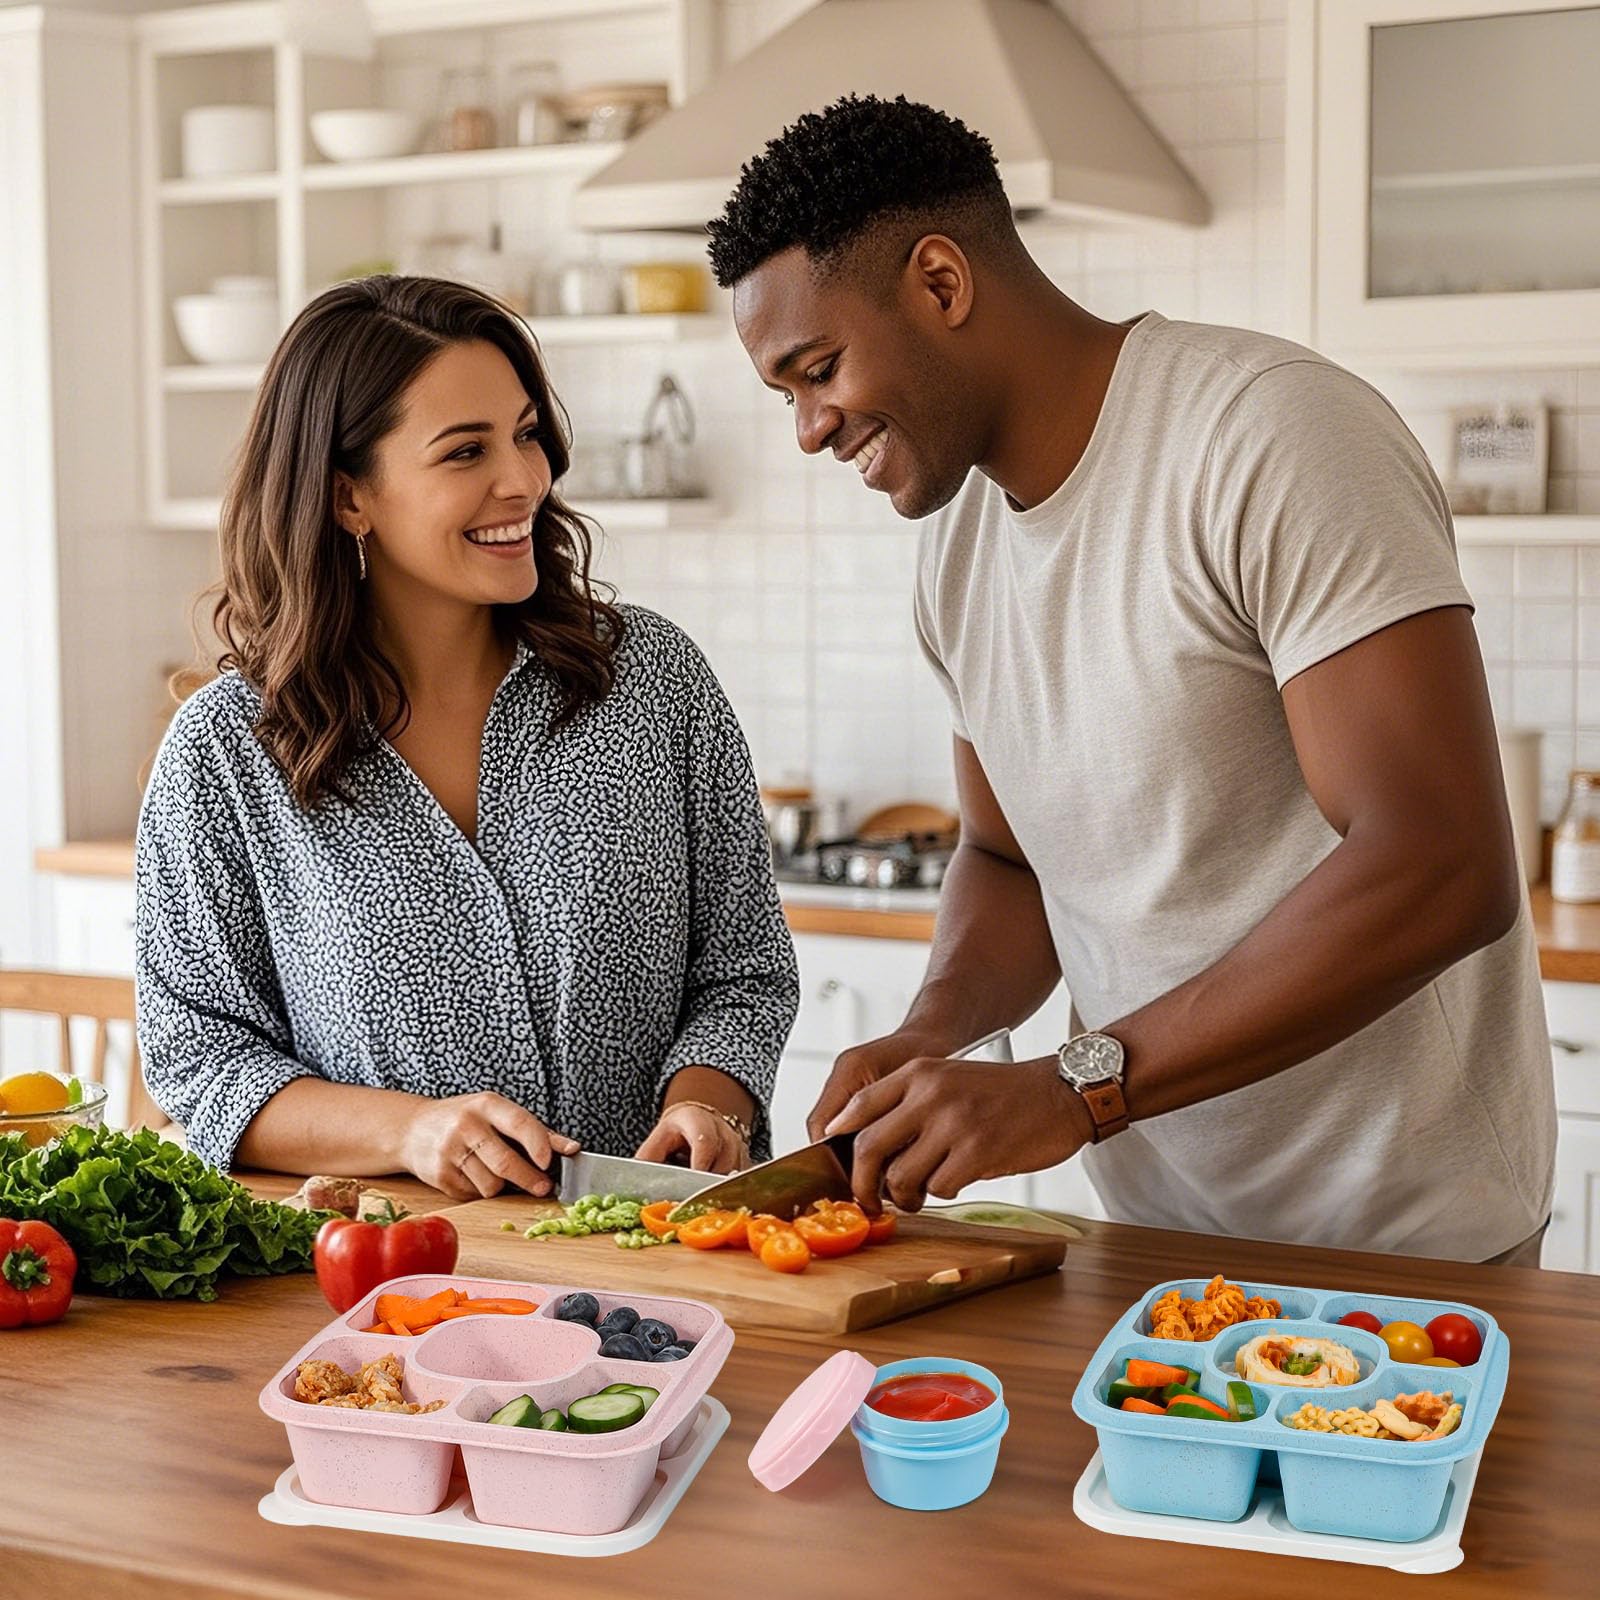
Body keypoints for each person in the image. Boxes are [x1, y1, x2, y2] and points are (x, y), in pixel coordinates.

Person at [708, 96, 1555, 1263]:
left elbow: (1441, 862)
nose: (808, 429)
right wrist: (935, 1029)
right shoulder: (957, 552)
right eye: (785, 396)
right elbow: (1008, 858)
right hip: (1153, 1235)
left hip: (1405, 1245)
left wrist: (1075, 1088)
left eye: (818, 370)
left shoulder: (1269, 435)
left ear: (941, 283)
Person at [135, 275, 797, 1202]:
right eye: (465, 451)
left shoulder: (652, 681)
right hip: (394, 1267)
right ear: (348, 497)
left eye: (526, 433)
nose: (524, 479)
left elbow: (744, 970)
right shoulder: (226, 751)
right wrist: (409, 1131)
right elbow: (198, 1059)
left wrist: (708, 1106)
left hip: (662, 1251)